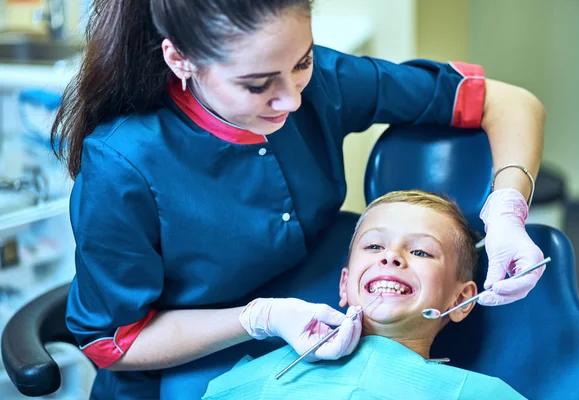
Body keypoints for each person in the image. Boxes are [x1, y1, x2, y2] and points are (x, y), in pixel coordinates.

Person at [51, 0, 546, 398]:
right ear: (180, 60)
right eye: (257, 85)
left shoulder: (322, 80)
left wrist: (506, 210)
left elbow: (510, 103)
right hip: (180, 370)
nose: (291, 100)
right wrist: (256, 319)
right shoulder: (123, 164)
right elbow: (111, 342)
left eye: (301, 62)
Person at [200, 190, 526, 399]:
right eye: (374, 246)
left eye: (422, 252)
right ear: (345, 284)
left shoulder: (481, 393)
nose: (391, 256)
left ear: (459, 300)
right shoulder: (247, 378)